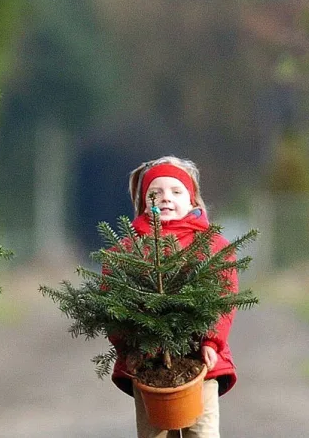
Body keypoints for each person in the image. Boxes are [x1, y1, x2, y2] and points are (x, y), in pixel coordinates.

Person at [110, 155, 238, 438]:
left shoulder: (211, 245)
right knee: (153, 432)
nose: (165, 198)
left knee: (201, 432)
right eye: (155, 193)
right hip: (148, 366)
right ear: (144, 203)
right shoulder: (129, 250)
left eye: (176, 191)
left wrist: (212, 341)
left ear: (192, 201)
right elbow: (114, 305)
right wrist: (130, 349)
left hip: (201, 363)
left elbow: (224, 299)